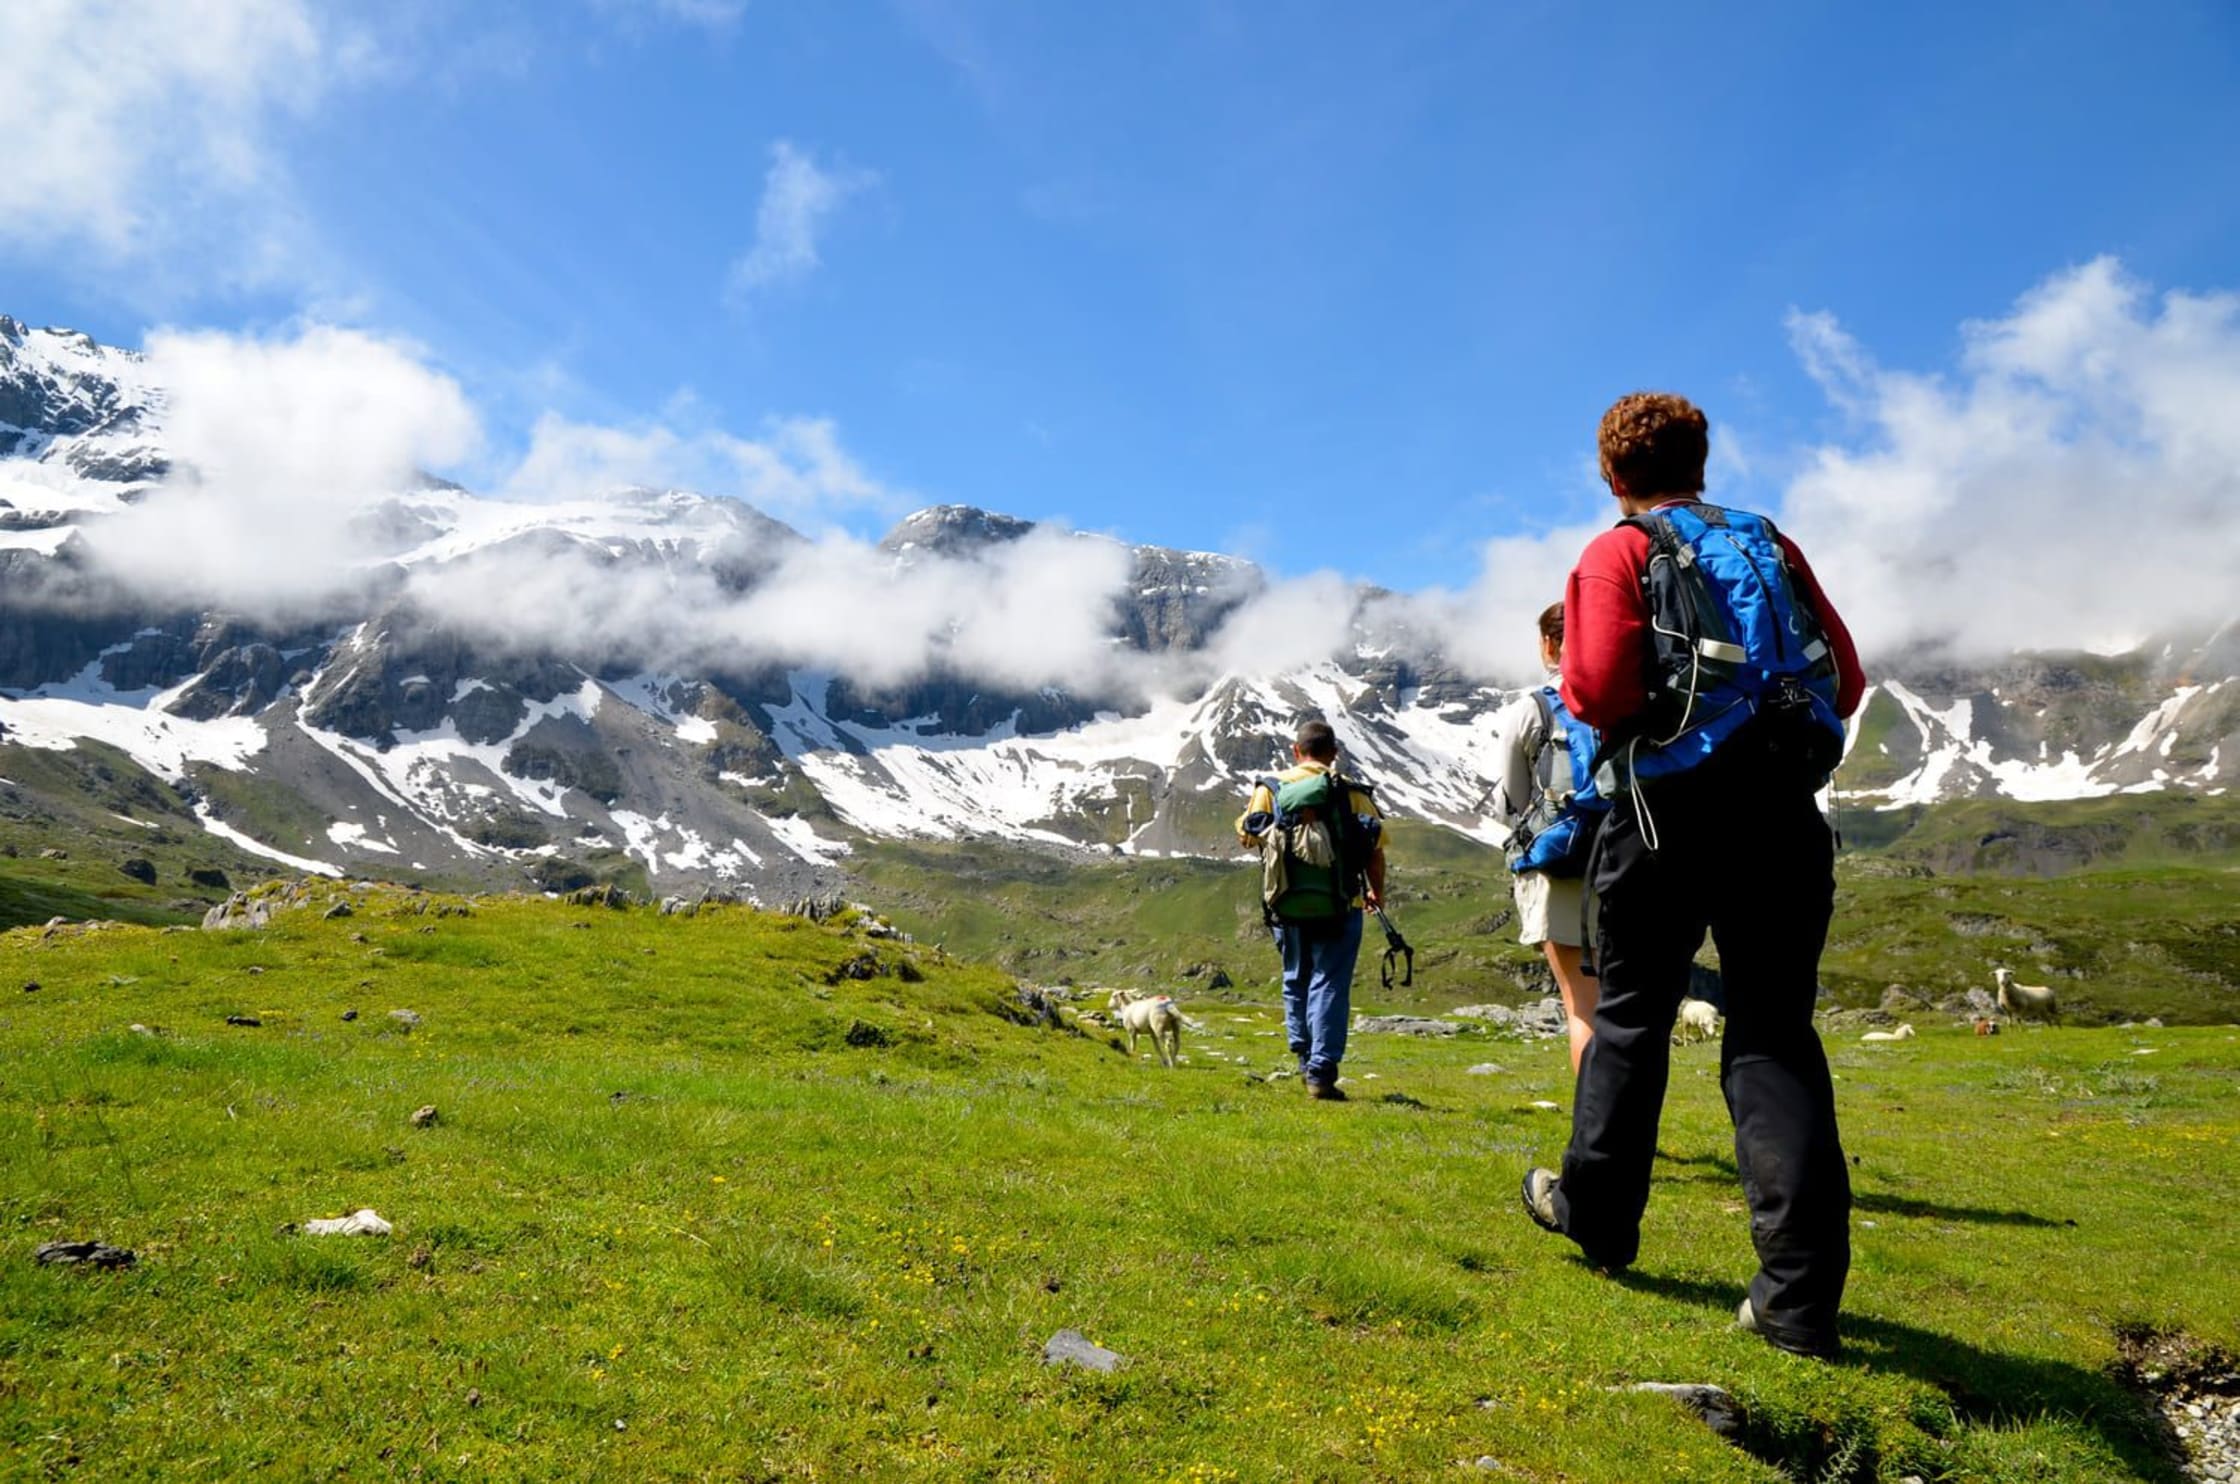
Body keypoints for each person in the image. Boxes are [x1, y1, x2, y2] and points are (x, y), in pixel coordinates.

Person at [1518, 391, 1866, 1361]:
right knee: (1772, 1035)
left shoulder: (1614, 552)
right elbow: (1844, 673)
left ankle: (1596, 1216)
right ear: (1700, 459)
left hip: (1660, 817)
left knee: (1628, 1016)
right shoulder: (1769, 543)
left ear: (1610, 471)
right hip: (1781, 816)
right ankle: (1796, 1300)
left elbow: (1594, 687)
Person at [1236, 719, 1386, 1102]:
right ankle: (1321, 1072)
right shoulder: (1350, 792)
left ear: (1295, 749)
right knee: (1329, 982)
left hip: (1286, 904)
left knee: (1295, 978)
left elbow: (1247, 836)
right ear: (1333, 753)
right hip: (1341, 903)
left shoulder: (1270, 789)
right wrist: (1376, 894)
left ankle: (1304, 1058)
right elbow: (1375, 848)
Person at [1488, 601, 1606, 1074]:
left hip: (1563, 869)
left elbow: (1512, 802)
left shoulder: (1532, 710)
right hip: (1632, 864)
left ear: (1550, 644)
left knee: (1583, 1006)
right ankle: (1637, 1128)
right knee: (1631, 1009)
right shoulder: (1632, 703)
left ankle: (1600, 1136)